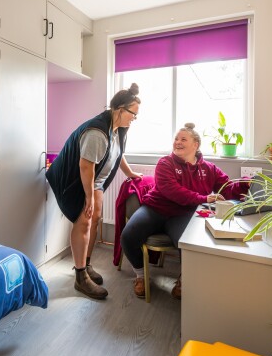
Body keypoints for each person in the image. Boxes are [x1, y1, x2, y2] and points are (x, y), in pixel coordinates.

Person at [120, 122, 249, 299]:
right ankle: (141, 276)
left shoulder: (209, 169)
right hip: (155, 209)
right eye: (176, 139)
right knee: (128, 236)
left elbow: (226, 188)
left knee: (188, 243)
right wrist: (204, 198)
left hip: (183, 214)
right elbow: (173, 191)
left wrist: (243, 184)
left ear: (195, 145)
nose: (177, 142)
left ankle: (183, 279)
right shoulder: (165, 163)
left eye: (183, 139)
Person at [46, 83, 142, 300]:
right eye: (133, 114)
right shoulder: (97, 131)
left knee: (95, 218)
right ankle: (80, 277)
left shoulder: (118, 128)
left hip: (94, 179)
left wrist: (129, 173)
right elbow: (85, 166)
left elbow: (118, 153)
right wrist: (89, 197)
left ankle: (86, 265)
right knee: (84, 221)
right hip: (75, 179)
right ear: (119, 109)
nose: (134, 119)